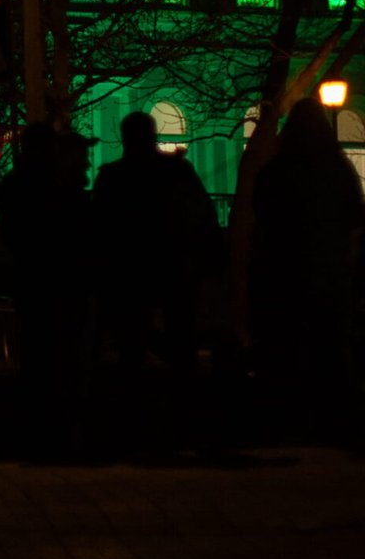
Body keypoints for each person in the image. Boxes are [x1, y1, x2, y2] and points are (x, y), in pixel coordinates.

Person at [248, 93, 365, 441]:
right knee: (329, 349)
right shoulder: (338, 171)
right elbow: (354, 217)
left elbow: (263, 217)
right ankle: (333, 421)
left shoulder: (276, 172)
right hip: (327, 274)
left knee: (287, 350)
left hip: (283, 275)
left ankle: (288, 419)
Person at [91, 112, 224, 386]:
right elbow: (203, 214)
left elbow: (100, 228)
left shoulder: (113, 177)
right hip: (173, 267)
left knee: (133, 345)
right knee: (180, 338)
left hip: (131, 272)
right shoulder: (176, 171)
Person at [0, 121, 94, 459]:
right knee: (61, 362)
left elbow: (13, 237)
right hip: (60, 285)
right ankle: (60, 437)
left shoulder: (15, 185)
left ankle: (41, 437)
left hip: (35, 284)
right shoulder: (56, 188)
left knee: (39, 361)